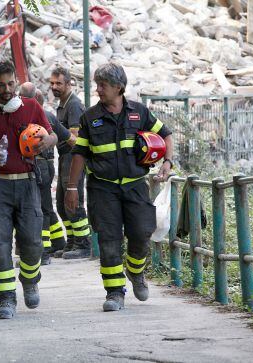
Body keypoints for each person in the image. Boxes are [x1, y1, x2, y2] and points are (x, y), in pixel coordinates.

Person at [65, 62, 174, 312]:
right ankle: (114, 292)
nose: (98, 90)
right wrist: (72, 189)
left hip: (135, 186)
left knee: (141, 233)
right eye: (97, 85)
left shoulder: (139, 112)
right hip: (102, 189)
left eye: (103, 85)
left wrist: (167, 163)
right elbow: (79, 154)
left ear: (119, 87)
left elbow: (166, 135)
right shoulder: (89, 117)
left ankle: (135, 271)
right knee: (109, 240)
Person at [0, 61, 57, 319]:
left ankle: (30, 280)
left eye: (10, 84)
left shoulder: (31, 107)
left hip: (29, 183)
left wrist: (44, 144)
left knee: (32, 242)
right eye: (1, 85)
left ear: (16, 83)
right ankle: (5, 299)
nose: (6, 89)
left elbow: (52, 135)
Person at [18, 82, 74, 265]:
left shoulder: (25, 117)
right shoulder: (50, 116)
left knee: (38, 209)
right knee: (47, 207)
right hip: (48, 166)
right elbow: (69, 138)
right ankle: (58, 242)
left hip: (36, 166)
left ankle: (43, 252)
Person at [50, 67, 92, 259]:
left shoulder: (74, 105)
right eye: (52, 83)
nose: (54, 86)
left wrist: (56, 128)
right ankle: (72, 242)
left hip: (73, 157)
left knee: (73, 202)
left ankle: (83, 244)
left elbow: (75, 137)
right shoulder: (62, 105)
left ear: (68, 84)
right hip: (64, 156)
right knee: (61, 204)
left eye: (58, 83)